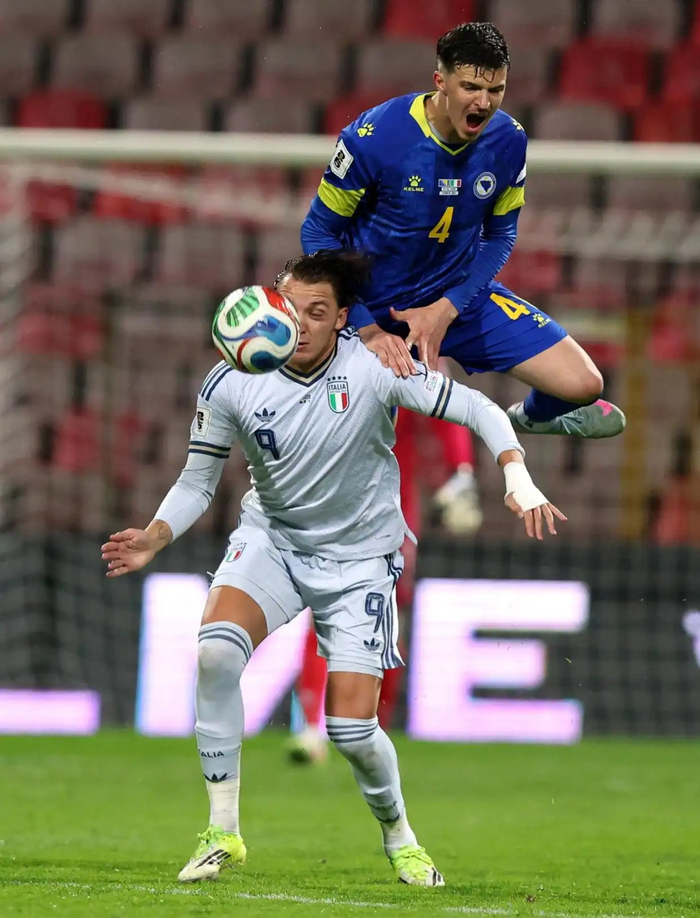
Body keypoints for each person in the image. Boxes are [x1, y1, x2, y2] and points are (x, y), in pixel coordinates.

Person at [100, 251, 566, 888]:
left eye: (317, 312)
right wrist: (155, 536)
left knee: (350, 729)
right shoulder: (231, 379)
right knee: (215, 654)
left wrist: (517, 476)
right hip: (273, 541)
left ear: (343, 318)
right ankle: (222, 831)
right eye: (291, 309)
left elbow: (480, 410)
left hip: (360, 561)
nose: (300, 324)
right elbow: (197, 480)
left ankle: (400, 837)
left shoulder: (374, 366)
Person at [301, 22, 625, 441]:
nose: (483, 102)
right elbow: (318, 234)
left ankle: (532, 417)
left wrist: (448, 307)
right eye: (471, 87)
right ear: (441, 81)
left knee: (584, 384)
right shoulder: (376, 136)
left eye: (495, 90)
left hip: (456, 299)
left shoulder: (508, 140)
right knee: (346, 444)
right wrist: (366, 326)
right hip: (370, 307)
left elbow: (501, 236)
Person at [286, 408, 482, 764]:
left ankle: (373, 728)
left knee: (385, 622)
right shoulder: (329, 373)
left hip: (393, 515)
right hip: (334, 508)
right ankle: (312, 728)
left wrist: (459, 475)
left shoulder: (408, 374)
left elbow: (444, 411)